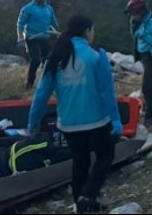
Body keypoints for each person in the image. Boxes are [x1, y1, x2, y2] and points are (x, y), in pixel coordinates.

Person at [27, 15, 122, 215]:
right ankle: (89, 194)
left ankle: (82, 206)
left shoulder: (56, 57)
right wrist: (116, 121)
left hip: (69, 123)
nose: (93, 35)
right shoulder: (96, 56)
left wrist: (33, 122)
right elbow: (107, 92)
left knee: (80, 160)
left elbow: (41, 94)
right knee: (105, 156)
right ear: (87, 31)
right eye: (93, 31)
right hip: (97, 120)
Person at [16, 0, 60, 89]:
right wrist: (20, 37)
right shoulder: (27, 8)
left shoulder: (49, 8)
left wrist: (57, 32)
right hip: (32, 38)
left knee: (49, 60)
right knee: (35, 60)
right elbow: (20, 24)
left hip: (45, 37)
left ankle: (50, 83)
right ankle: (29, 84)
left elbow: (54, 22)